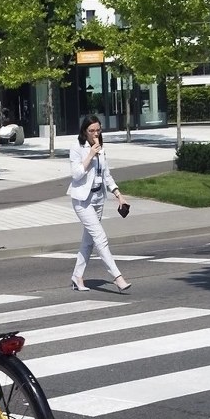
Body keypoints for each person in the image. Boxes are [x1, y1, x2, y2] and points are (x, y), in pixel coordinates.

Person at [68, 115, 131, 292]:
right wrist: (90, 154)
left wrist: (119, 195)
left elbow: (106, 175)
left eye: (98, 130)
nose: (95, 134)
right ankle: (118, 277)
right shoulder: (77, 147)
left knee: (88, 242)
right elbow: (77, 174)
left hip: (97, 198)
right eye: (91, 131)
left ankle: (77, 276)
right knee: (100, 238)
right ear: (84, 131)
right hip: (82, 200)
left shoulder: (101, 148)